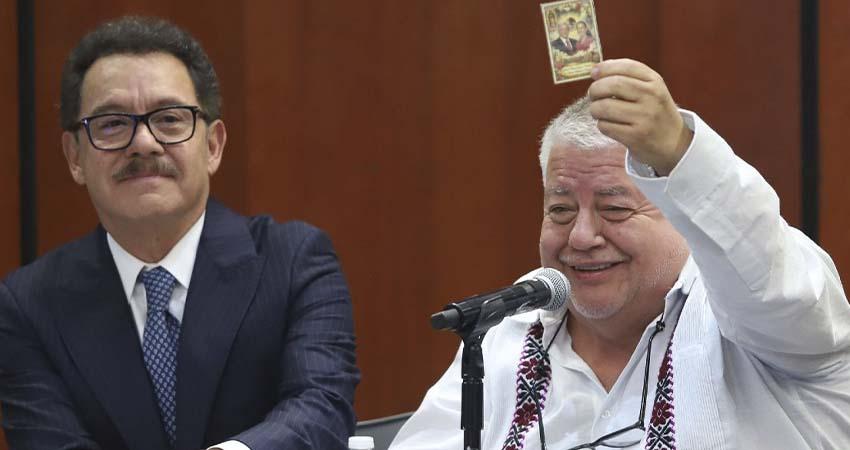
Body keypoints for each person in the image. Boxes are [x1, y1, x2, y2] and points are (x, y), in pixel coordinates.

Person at [390, 59, 850, 449]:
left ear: (681, 211)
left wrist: (680, 152)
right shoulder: (508, 333)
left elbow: (769, 276)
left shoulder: (760, 324)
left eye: (614, 209)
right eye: (561, 210)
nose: (581, 237)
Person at [0, 16, 359, 450]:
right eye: (112, 124)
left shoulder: (295, 262)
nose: (143, 143)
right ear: (75, 156)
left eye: (169, 118)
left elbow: (320, 408)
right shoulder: (27, 306)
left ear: (213, 146)